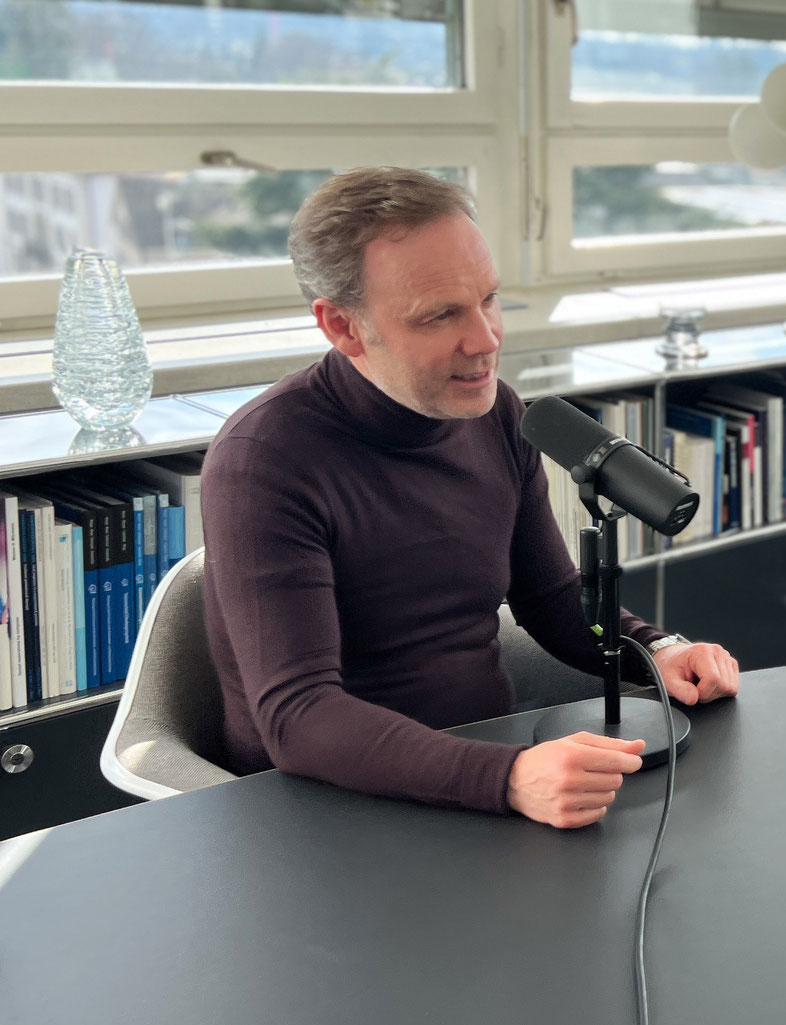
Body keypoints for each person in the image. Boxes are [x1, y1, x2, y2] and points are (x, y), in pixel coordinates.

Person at [203, 167, 739, 829]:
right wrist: (507, 778)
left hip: (484, 774)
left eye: (489, 299)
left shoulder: (493, 415)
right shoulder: (264, 462)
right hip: (324, 813)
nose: (485, 341)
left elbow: (547, 598)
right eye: (441, 315)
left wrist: (657, 651)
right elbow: (299, 717)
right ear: (343, 327)